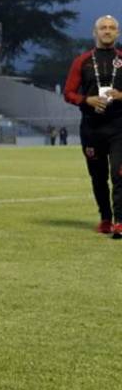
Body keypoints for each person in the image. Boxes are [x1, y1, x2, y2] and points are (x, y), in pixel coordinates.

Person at [63, 15, 122, 236]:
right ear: (94, 32)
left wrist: (120, 95)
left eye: (112, 28)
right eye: (103, 28)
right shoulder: (82, 61)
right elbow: (68, 92)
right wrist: (86, 100)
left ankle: (120, 222)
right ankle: (105, 218)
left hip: (118, 126)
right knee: (98, 177)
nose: (107, 31)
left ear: (117, 33)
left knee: (119, 173)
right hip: (92, 128)